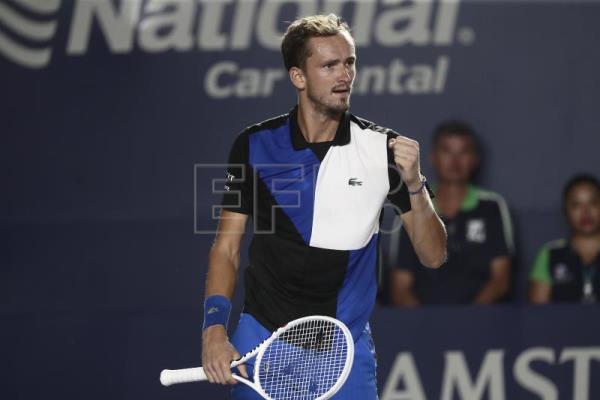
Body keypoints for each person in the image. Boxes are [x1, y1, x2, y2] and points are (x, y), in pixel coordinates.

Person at [201, 14, 447, 399]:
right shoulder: (253, 145)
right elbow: (226, 248)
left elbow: (433, 256)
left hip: (344, 349)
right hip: (262, 337)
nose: (344, 75)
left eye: (349, 62)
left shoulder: (383, 150)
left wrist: (415, 184)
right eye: (329, 65)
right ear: (298, 77)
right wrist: (214, 329)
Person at [389, 121, 514, 305]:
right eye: (447, 151)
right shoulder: (413, 206)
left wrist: (466, 321)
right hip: (424, 327)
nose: (455, 162)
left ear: (475, 159)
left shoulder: (491, 206)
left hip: (480, 324)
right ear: (432, 157)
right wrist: (428, 325)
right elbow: (400, 286)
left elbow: (500, 280)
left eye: (463, 152)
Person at [529, 174, 600, 304]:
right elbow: (537, 315)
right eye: (576, 205)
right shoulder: (550, 253)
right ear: (565, 212)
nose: (586, 212)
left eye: (593, 203)